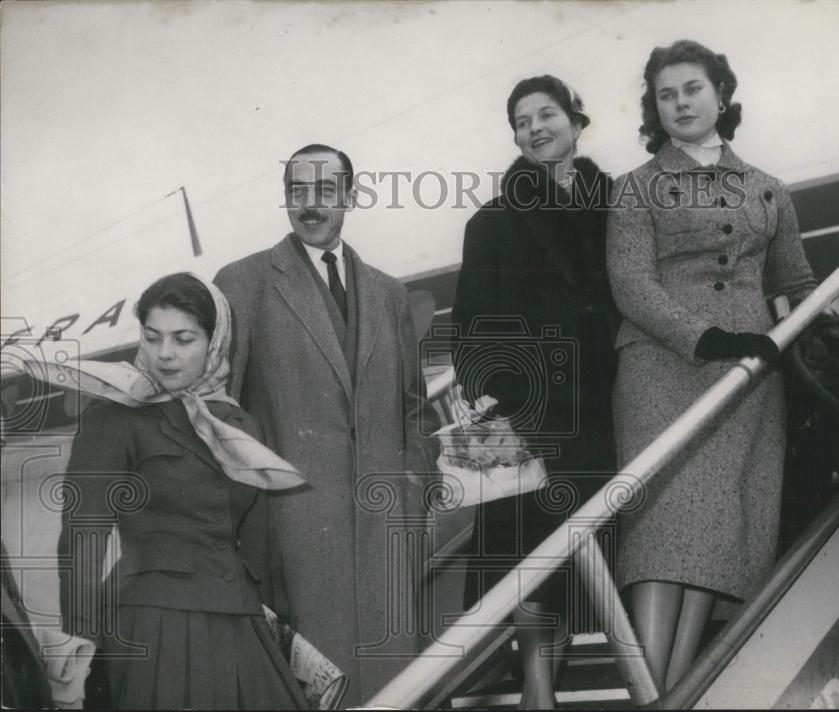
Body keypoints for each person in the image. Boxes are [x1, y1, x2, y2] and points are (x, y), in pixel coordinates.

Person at [606, 40, 817, 695]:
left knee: (718, 541)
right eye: (666, 95)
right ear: (655, 109)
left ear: (720, 94)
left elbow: (796, 282)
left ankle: (671, 695)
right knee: (663, 538)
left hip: (749, 381)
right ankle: (653, 696)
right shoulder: (635, 188)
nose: (680, 104)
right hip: (664, 375)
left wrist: (817, 350)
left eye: (691, 89)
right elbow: (631, 284)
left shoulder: (769, 189)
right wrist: (706, 340)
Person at [213, 144, 438, 706]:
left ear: (351, 196)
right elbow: (220, 412)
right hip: (296, 538)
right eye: (298, 192)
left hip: (389, 533)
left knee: (398, 690)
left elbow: (413, 408)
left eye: (326, 191)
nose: (310, 205)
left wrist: (415, 482)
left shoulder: (388, 292)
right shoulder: (242, 285)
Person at [52, 273, 308, 709]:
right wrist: (79, 649)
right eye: (153, 338)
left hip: (242, 627)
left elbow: (260, 549)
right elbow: (82, 539)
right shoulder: (115, 418)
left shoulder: (242, 425)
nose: (165, 354)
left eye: (183, 339)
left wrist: (285, 637)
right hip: (152, 627)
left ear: (214, 341)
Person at [452, 75, 620, 709]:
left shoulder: (621, 207)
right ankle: (539, 696)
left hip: (606, 407)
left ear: (577, 121)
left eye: (546, 114)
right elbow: (471, 327)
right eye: (521, 121)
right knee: (528, 553)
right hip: (531, 411)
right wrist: (494, 393)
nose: (535, 128)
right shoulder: (491, 223)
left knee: (587, 557)